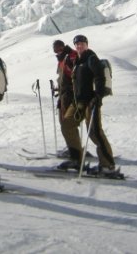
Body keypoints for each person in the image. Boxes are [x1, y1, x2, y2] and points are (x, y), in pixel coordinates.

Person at [71, 34, 117, 175]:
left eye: (82, 44)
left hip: (91, 102)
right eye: (77, 44)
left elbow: (99, 77)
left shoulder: (91, 58)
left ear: (87, 44)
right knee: (70, 123)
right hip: (80, 101)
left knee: (95, 132)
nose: (79, 46)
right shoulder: (78, 61)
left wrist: (98, 96)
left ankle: (107, 165)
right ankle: (77, 157)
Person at [51, 39, 82, 169]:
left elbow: (74, 76)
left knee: (67, 124)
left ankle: (76, 153)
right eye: (55, 49)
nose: (58, 51)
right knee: (64, 123)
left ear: (64, 46)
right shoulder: (62, 58)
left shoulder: (71, 56)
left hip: (70, 96)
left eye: (59, 48)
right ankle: (73, 149)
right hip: (64, 95)